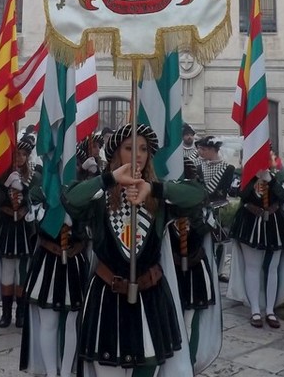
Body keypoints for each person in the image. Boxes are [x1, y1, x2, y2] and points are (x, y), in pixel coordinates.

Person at [63, 123, 204, 377]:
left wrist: (155, 188)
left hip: (150, 300)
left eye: (143, 149)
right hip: (108, 298)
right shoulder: (100, 196)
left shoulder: (159, 197)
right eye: (129, 148)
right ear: (116, 153)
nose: (138, 154)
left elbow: (196, 196)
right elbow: (71, 199)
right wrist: (110, 178)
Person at [19, 135, 98, 376]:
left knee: (73, 321)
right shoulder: (38, 191)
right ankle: (52, 372)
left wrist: (79, 222)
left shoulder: (83, 192)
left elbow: (94, 228)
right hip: (48, 261)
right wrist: (51, 217)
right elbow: (32, 224)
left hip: (74, 261)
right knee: (49, 322)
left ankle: (66, 371)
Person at [167, 151, 229, 373]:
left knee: (190, 319)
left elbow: (207, 225)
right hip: (169, 267)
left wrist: (191, 216)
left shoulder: (199, 201)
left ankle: (188, 363)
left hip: (194, 265)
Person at [226, 141, 284, 330]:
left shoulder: (278, 172)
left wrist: (270, 179)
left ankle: (271, 310)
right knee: (252, 267)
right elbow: (236, 192)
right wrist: (252, 177)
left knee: (272, 268)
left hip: (274, 223)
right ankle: (255, 309)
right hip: (250, 221)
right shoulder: (242, 173)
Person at [0, 133, 39, 328]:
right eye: (16, 154)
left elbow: (38, 197)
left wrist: (24, 191)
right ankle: (6, 313)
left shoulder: (33, 176)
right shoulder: (1, 175)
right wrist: (6, 184)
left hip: (24, 229)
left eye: (23, 154)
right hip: (6, 228)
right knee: (7, 271)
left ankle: (21, 313)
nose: (20, 158)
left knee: (22, 272)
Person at [195, 135, 233, 281]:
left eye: (203, 149)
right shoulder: (198, 167)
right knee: (203, 239)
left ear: (212, 149)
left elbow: (227, 190)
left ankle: (219, 270)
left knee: (220, 241)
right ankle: (205, 267)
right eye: (199, 149)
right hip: (201, 209)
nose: (200, 152)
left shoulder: (228, 168)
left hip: (218, 209)